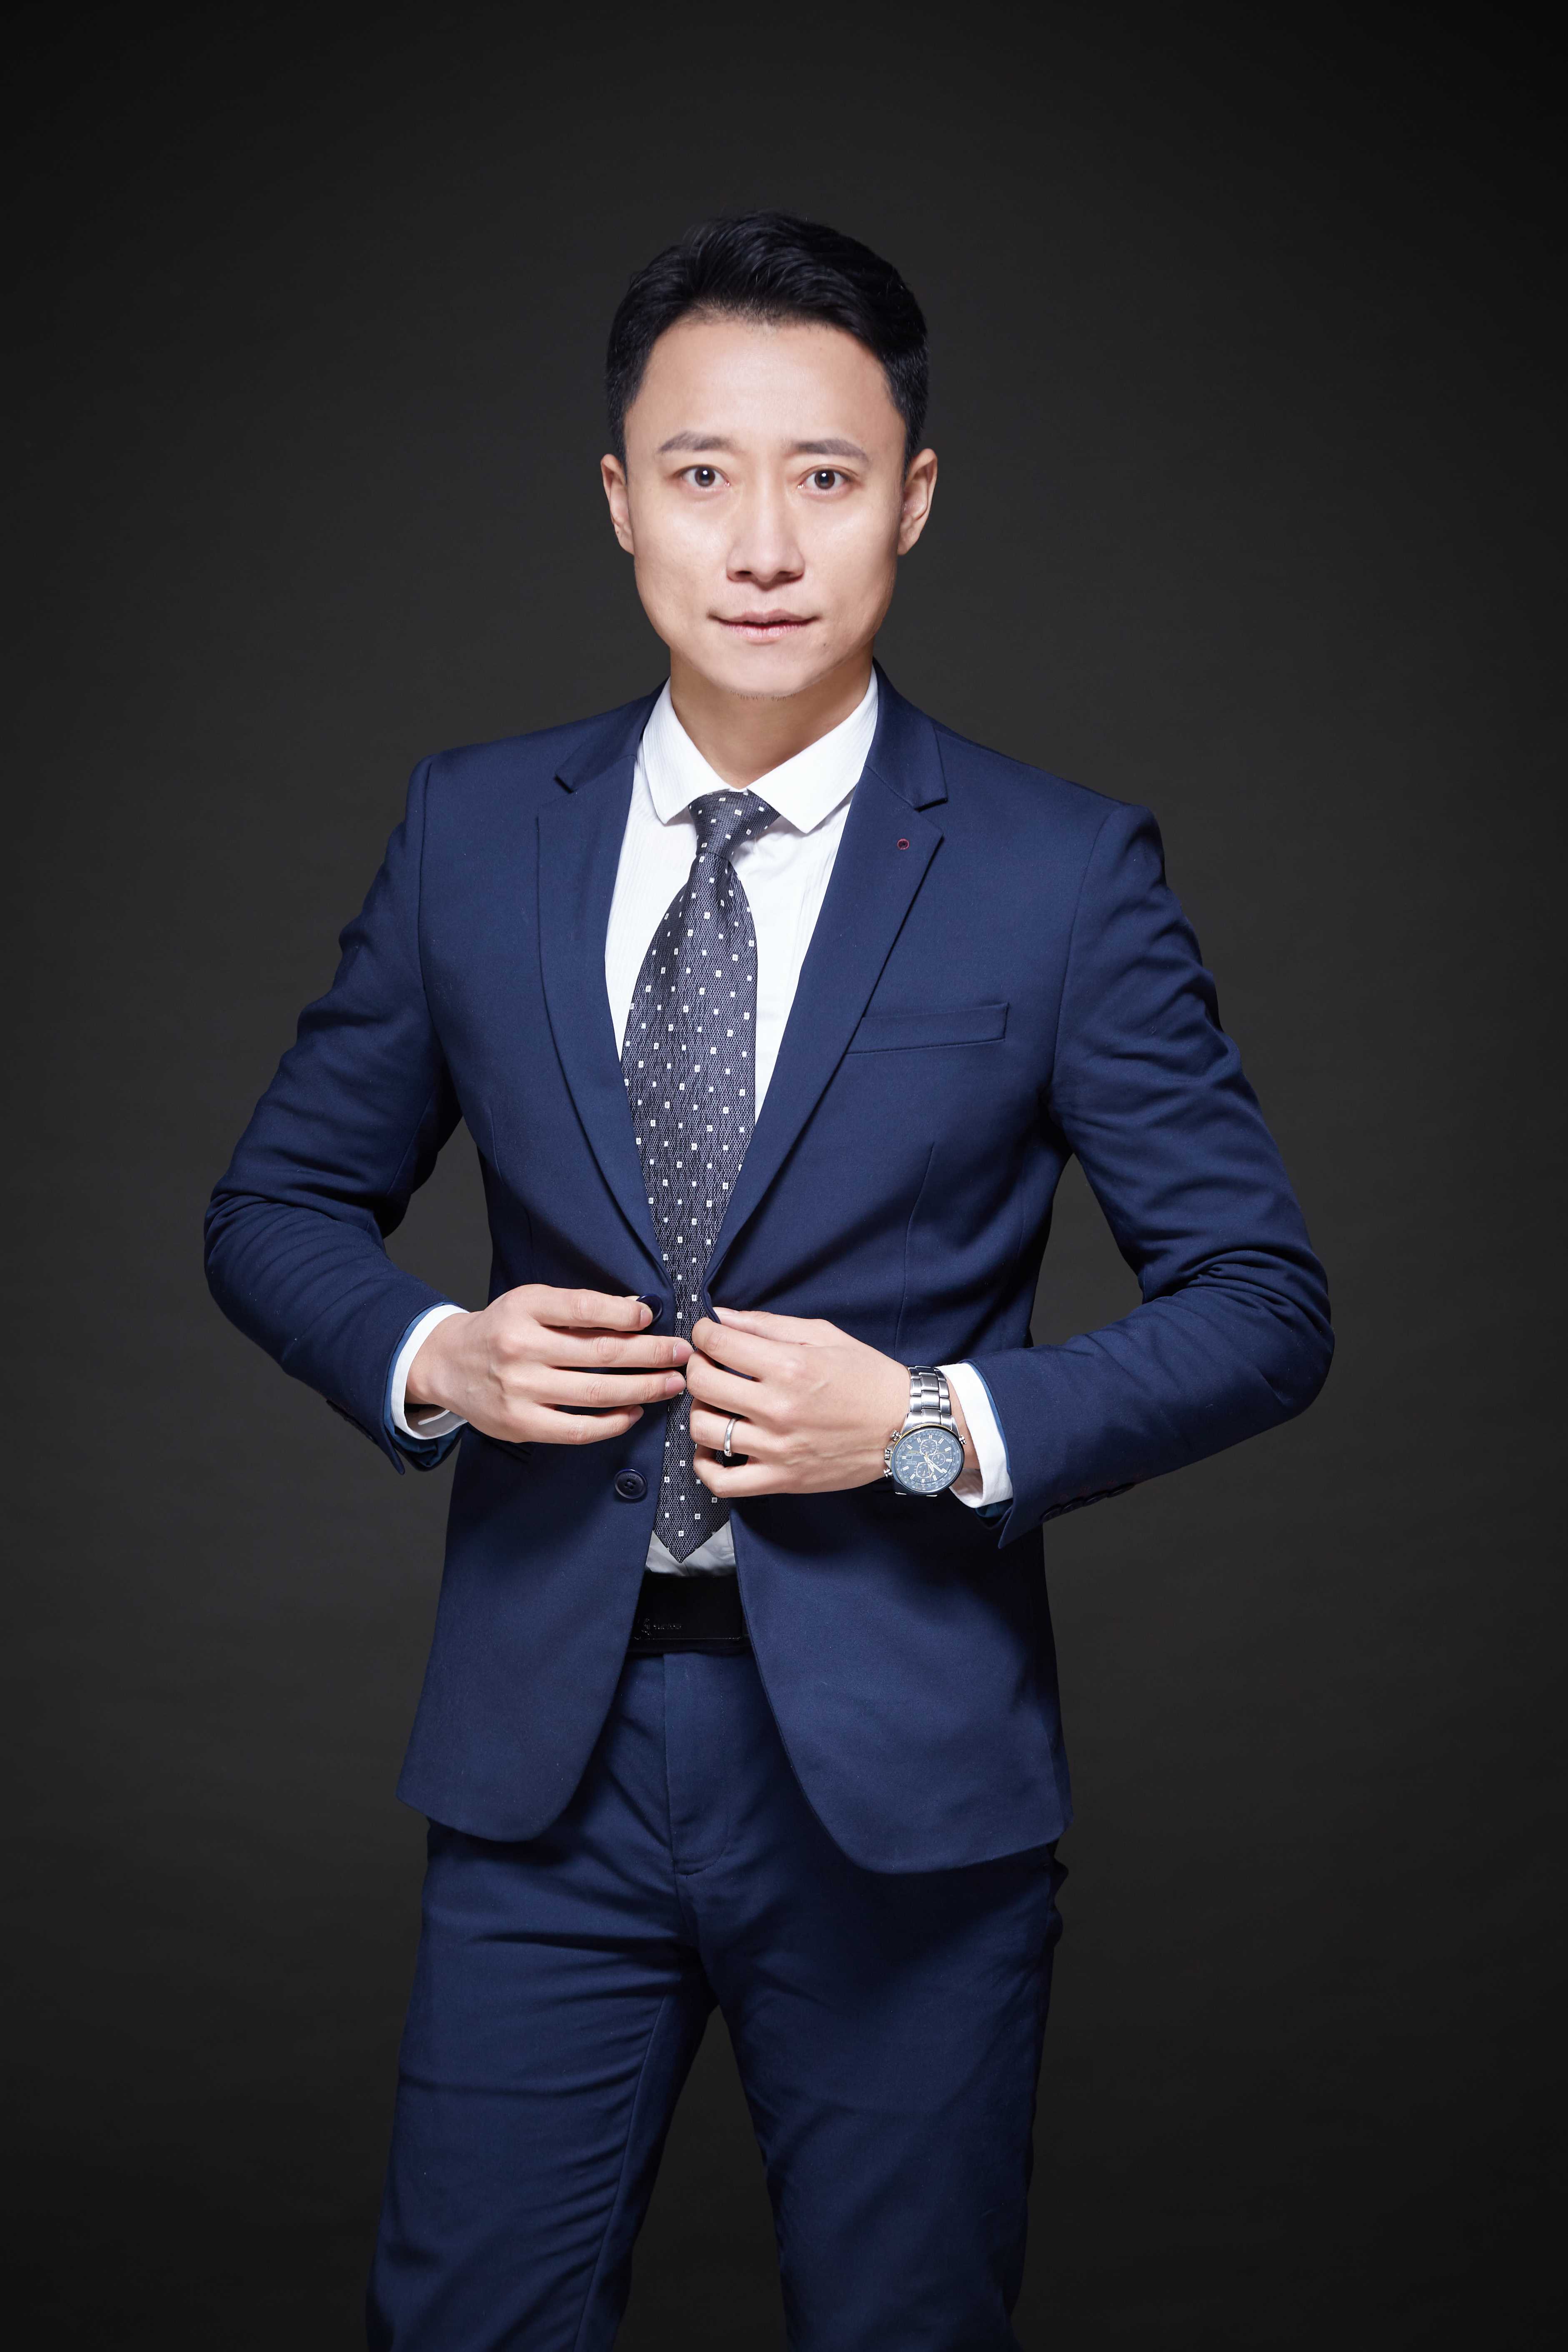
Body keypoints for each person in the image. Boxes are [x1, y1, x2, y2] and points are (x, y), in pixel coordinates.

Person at [206, 211, 1331, 2351]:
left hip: (901, 1771)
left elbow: (1263, 1299)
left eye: (823, 474)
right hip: (542, 1759)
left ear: (911, 497)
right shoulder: (471, 832)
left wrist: (924, 1421)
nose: (759, 542)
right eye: (700, 472)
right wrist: (437, 1349)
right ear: (617, 497)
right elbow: (272, 1206)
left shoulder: (1057, 871)